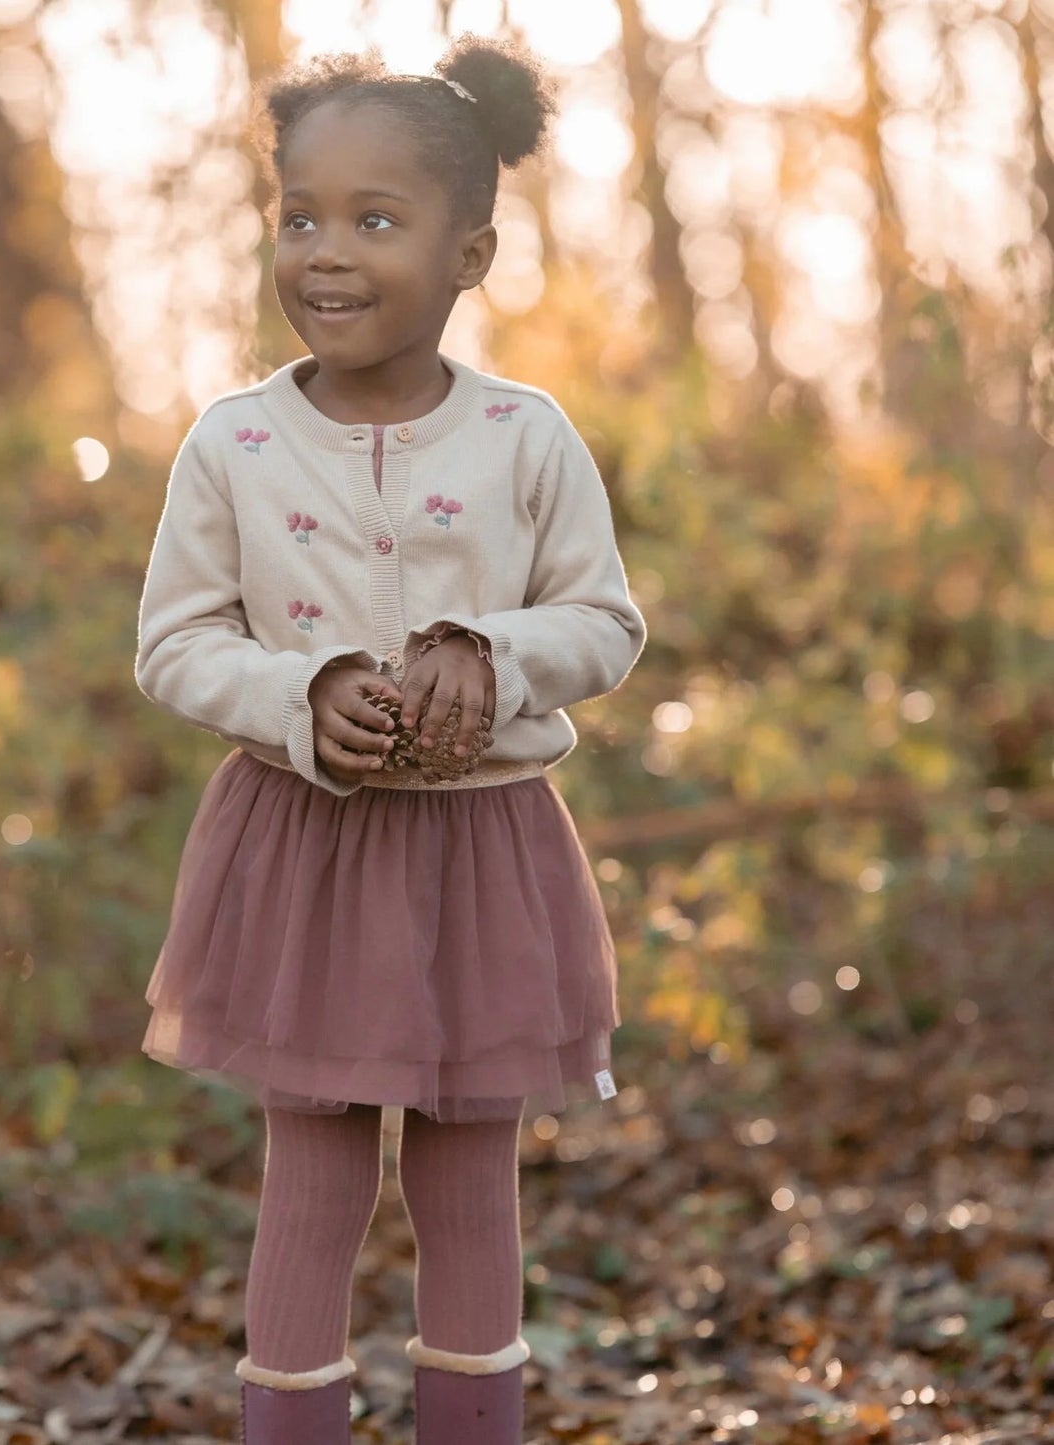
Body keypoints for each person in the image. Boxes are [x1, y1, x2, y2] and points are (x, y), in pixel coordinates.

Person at [133, 32, 647, 1445]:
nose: (326, 252)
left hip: (485, 846)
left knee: (469, 1171)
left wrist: (492, 650)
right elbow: (173, 643)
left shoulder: (524, 437)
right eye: (299, 216)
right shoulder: (231, 445)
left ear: (469, 254)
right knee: (312, 1166)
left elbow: (604, 623)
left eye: (375, 218)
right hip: (304, 843)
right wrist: (299, 697)